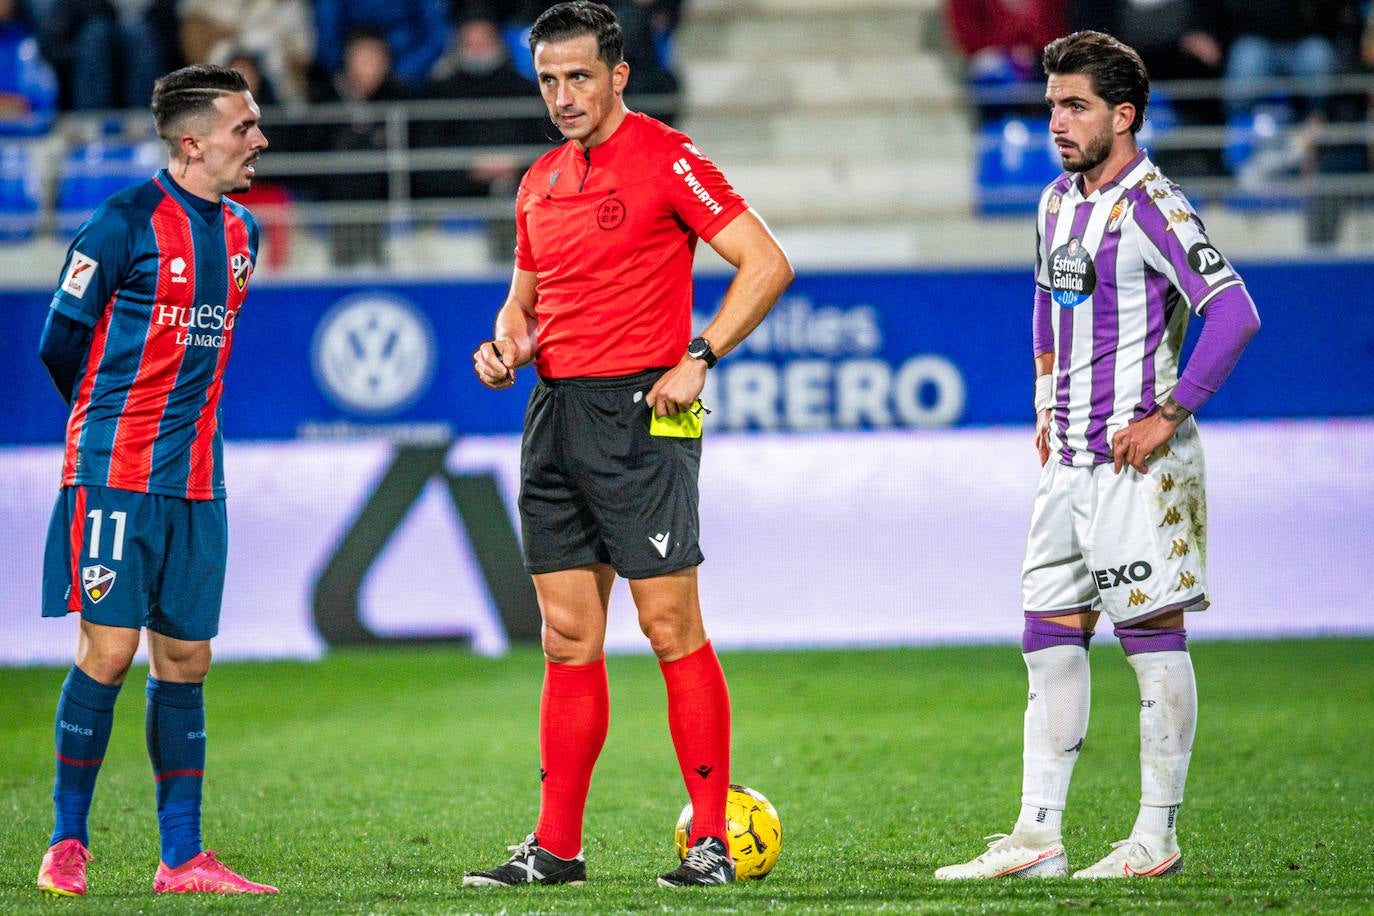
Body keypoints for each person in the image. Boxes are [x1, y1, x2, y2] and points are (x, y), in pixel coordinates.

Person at [465, 1, 793, 889]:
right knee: (567, 637)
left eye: (578, 76)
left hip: (645, 413)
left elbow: (765, 263)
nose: (563, 96)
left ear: (618, 74)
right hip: (554, 414)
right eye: (548, 80)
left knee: (667, 623)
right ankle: (557, 849)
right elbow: (523, 300)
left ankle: (711, 844)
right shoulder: (538, 181)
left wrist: (700, 355)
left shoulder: (667, 157)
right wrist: (507, 345)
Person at [935, 30, 1259, 881]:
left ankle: (1156, 836)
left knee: (1151, 639)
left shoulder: (1155, 203)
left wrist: (1170, 414)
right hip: (1067, 462)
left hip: (1136, 468)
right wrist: (1045, 398)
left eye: (1075, 106)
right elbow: (1049, 301)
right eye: (1051, 107)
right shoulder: (1054, 201)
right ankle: (1039, 835)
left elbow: (1233, 313)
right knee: (1048, 639)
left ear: (1125, 114)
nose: (1057, 122)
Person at [34, 64, 276, 898]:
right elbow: (59, 342)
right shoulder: (119, 224)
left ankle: (182, 858)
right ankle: (67, 843)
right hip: (114, 473)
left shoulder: (244, 233)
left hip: (197, 478)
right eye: (244, 127)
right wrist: (109, 429)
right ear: (192, 141)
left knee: (188, 656)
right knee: (108, 651)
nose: (260, 141)